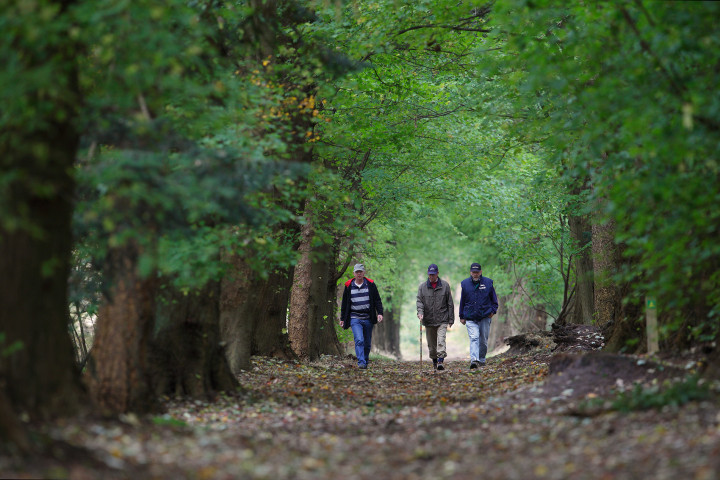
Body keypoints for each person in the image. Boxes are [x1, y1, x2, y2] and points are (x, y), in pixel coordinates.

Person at [340, 263, 384, 369]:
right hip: (355, 318)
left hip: (368, 318)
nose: (359, 273)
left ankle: (365, 359)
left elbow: (377, 300)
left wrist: (380, 313)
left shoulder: (370, 284)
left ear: (364, 273)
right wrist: (342, 319)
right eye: (357, 272)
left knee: (367, 343)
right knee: (359, 340)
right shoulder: (349, 285)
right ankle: (361, 362)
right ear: (354, 273)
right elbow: (345, 303)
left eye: (361, 271)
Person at [459, 263, 499, 369]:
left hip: (485, 316)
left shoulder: (488, 283)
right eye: (473, 272)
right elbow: (462, 301)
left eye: (477, 272)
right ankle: (474, 360)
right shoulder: (465, 284)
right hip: (470, 316)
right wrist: (461, 315)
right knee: (474, 338)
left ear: (480, 272)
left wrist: (493, 311)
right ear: (470, 272)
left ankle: (481, 359)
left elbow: (494, 300)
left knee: (483, 341)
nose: (475, 274)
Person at [416, 263, 454, 370]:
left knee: (441, 340)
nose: (431, 276)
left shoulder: (445, 285)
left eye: (433, 274)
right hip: (428, 320)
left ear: (437, 273)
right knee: (431, 346)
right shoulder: (422, 287)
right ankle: (434, 362)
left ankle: (441, 361)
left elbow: (450, 303)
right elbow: (419, 301)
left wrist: (451, 319)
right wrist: (420, 312)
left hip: (442, 319)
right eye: (430, 274)